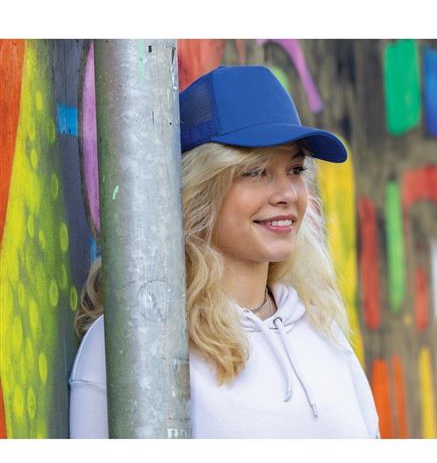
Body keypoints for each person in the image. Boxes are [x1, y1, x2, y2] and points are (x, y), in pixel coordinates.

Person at [69, 64, 379, 438]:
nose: (286, 194)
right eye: (256, 172)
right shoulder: (132, 340)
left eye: (295, 170)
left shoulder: (321, 327)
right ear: (200, 190)